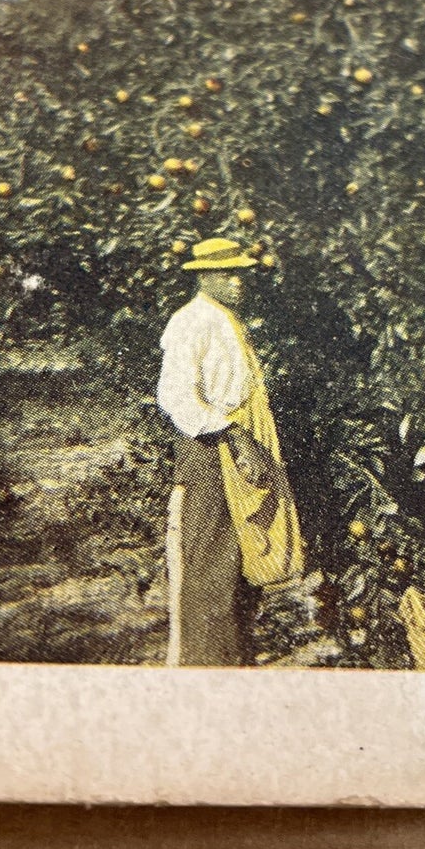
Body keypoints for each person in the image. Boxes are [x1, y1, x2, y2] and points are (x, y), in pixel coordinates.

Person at [156, 237, 304, 666]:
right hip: (210, 451)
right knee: (208, 566)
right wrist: (236, 438)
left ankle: (233, 663)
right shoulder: (191, 322)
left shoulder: (225, 319)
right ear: (203, 277)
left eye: (241, 273)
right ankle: (203, 670)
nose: (238, 282)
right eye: (227, 274)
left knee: (241, 559)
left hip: (240, 442)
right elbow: (176, 397)